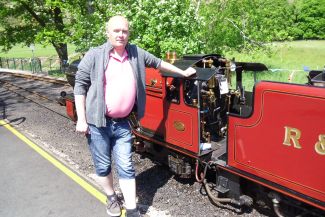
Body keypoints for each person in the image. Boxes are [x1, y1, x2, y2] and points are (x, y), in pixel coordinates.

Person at [74, 15, 196, 217]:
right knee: (103, 166)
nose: (121, 34)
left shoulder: (136, 53)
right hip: (98, 124)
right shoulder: (95, 55)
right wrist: (81, 119)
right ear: (108, 33)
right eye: (116, 31)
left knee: (126, 166)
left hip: (123, 123)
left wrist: (182, 73)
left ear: (128, 33)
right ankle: (112, 196)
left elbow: (159, 64)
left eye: (124, 31)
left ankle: (131, 209)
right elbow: (80, 85)